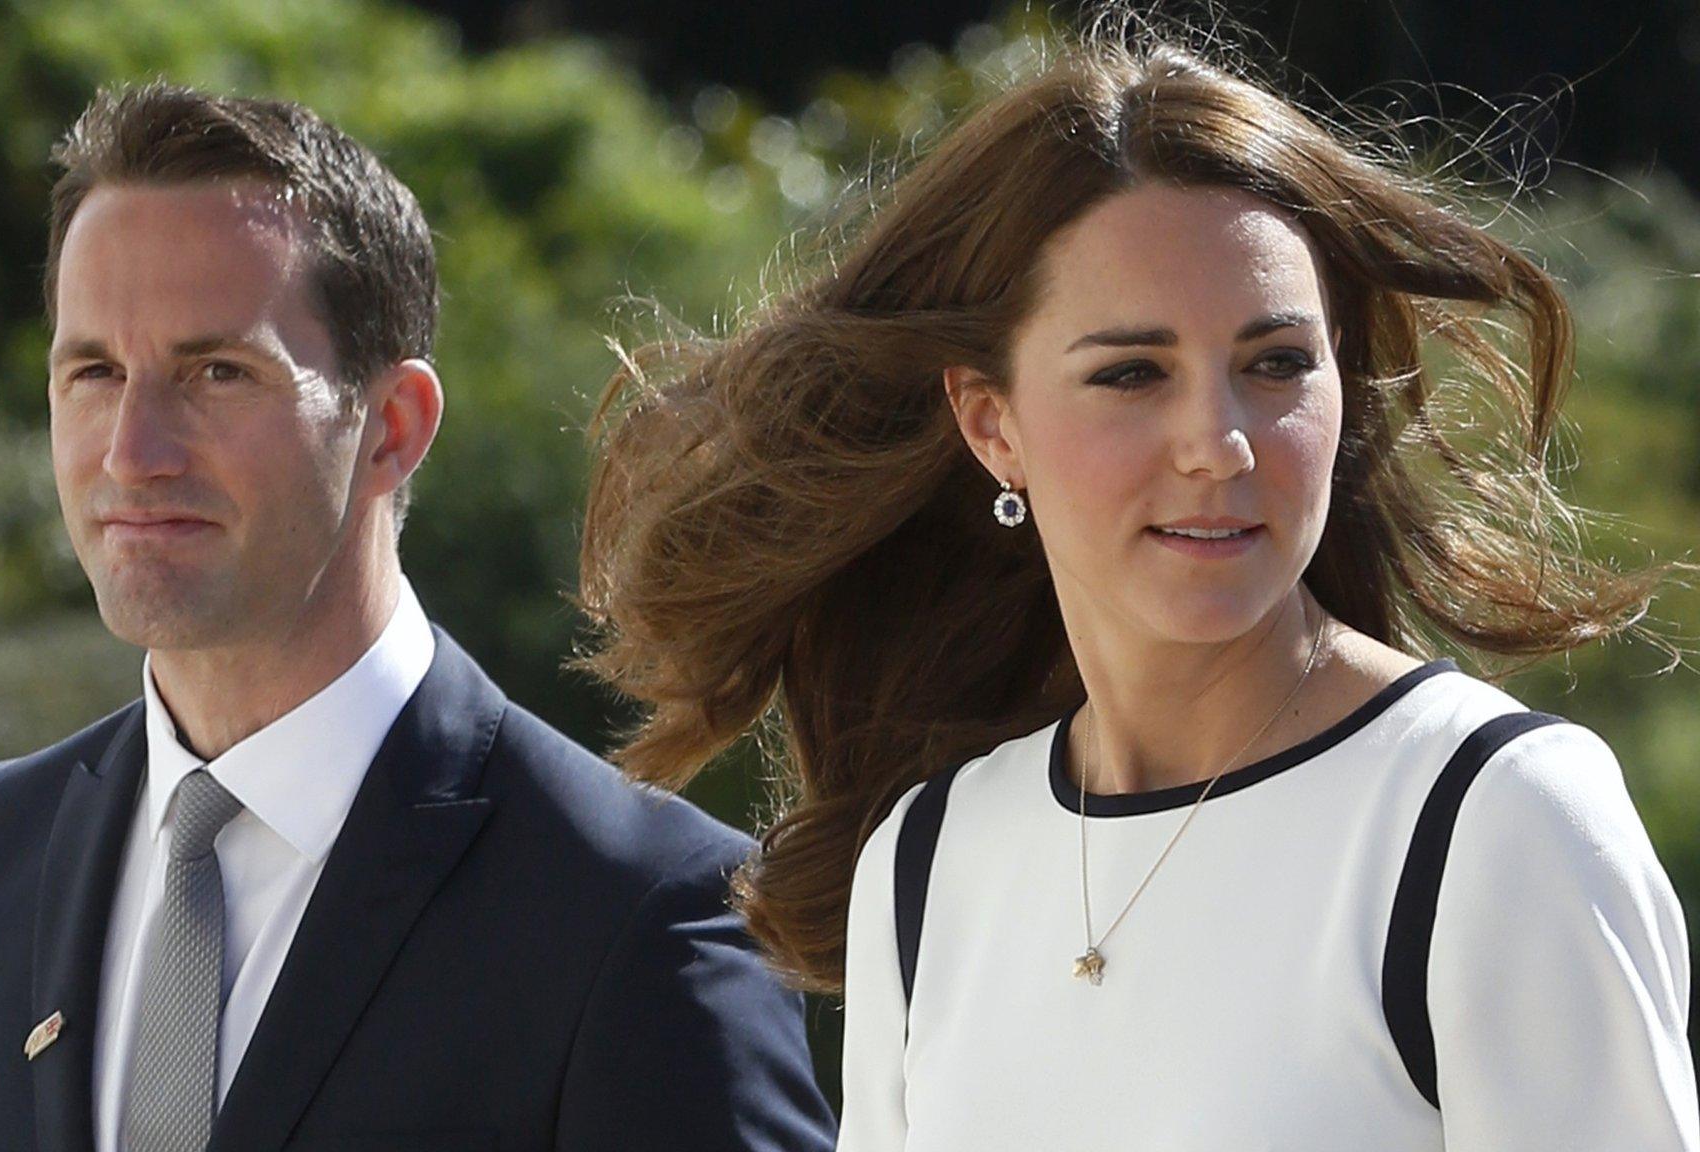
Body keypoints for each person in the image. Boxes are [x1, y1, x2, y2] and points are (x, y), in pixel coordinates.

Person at [577, 27, 1699, 1152]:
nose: (1216, 444)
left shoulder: (1494, 822)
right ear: (990, 423)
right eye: (1129, 374)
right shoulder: (922, 864)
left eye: (1275, 364)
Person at [0, 82, 835, 1152]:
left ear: (392, 425)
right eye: (93, 372)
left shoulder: (636, 915)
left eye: (215, 372)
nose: (129, 452)